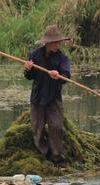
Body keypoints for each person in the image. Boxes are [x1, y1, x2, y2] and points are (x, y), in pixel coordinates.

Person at [24, 25, 71, 165]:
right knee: (37, 127)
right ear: (48, 43)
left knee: (56, 126)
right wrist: (27, 69)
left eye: (59, 42)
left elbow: (66, 76)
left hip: (53, 98)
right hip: (37, 97)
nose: (58, 45)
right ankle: (43, 154)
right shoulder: (35, 55)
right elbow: (29, 76)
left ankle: (57, 157)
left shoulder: (63, 58)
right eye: (55, 42)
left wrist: (58, 76)